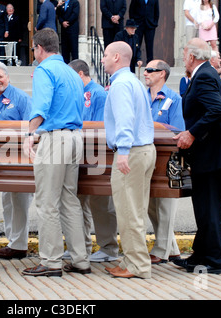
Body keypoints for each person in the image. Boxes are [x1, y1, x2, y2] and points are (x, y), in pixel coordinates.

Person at [22, 28, 90, 277]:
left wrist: (30, 135)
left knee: (47, 201)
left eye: (33, 49)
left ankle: (51, 261)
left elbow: (41, 106)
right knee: (69, 200)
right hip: (74, 137)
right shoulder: (71, 73)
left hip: (55, 139)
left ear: (38, 48)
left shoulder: (44, 70)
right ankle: (81, 259)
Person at [173, 38, 221, 274]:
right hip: (210, 155)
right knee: (204, 208)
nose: (183, 57)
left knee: (209, 208)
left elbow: (217, 109)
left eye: (184, 53)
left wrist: (192, 133)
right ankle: (200, 255)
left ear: (192, 56)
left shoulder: (203, 75)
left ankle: (215, 260)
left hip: (214, 155)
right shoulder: (204, 74)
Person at [102, 41, 156, 279]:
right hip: (143, 149)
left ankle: (137, 266)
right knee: (136, 210)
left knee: (128, 211)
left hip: (131, 152)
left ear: (115, 57)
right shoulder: (132, 81)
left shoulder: (121, 84)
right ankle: (131, 260)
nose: (102, 59)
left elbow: (125, 119)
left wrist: (122, 150)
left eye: (104, 55)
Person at [67, 59, 119, 263]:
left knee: (101, 203)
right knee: (77, 202)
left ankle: (109, 248)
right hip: (79, 153)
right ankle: (81, 246)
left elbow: (100, 125)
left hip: (97, 153)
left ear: (80, 74)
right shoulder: (75, 93)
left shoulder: (98, 93)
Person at [0, 62, 33, 259]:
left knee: (20, 201)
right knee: (8, 201)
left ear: (8, 77)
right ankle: (13, 241)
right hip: (1, 160)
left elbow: (31, 127)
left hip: (21, 159)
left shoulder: (21, 98)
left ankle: (19, 245)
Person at [143, 59, 184, 264]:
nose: (145, 73)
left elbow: (177, 129)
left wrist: (153, 127)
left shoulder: (173, 98)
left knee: (166, 205)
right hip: (146, 155)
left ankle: (161, 249)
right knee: (151, 204)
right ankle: (172, 247)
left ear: (162, 74)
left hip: (168, 157)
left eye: (151, 70)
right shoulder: (141, 96)